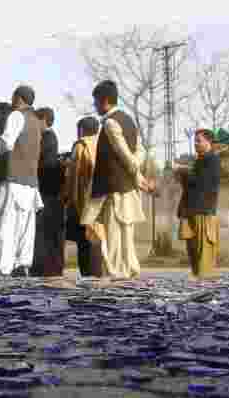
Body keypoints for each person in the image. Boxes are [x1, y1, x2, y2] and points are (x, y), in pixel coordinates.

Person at [80, 80, 153, 279]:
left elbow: (124, 154)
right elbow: (140, 151)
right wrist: (137, 176)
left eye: (95, 101)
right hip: (126, 187)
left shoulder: (110, 123)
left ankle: (116, 273)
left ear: (104, 101)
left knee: (113, 235)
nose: (94, 106)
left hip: (113, 188)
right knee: (125, 233)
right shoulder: (128, 120)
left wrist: (135, 173)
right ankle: (128, 270)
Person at [0, 86, 44, 276]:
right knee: (25, 228)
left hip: (13, 179)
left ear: (18, 98)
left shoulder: (16, 116)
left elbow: (6, 143)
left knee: (5, 224)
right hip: (31, 182)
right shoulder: (37, 122)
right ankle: (22, 265)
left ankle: (2, 268)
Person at [177, 129, 222, 278]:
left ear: (208, 142)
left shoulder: (212, 159)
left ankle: (207, 290)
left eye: (199, 141)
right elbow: (190, 185)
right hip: (191, 211)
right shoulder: (199, 160)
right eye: (194, 141)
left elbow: (201, 183)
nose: (195, 144)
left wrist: (183, 172)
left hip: (203, 212)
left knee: (204, 261)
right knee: (194, 254)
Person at [62, 116, 103, 277]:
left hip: (82, 201)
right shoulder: (103, 144)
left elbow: (74, 176)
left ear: (81, 130)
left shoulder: (81, 145)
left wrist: (67, 197)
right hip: (101, 200)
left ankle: (88, 276)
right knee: (99, 239)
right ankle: (99, 274)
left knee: (84, 242)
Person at [31, 106, 65, 277]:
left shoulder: (47, 137)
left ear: (44, 119)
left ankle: (46, 267)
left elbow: (41, 163)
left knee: (45, 233)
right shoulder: (47, 137)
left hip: (47, 193)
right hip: (48, 193)